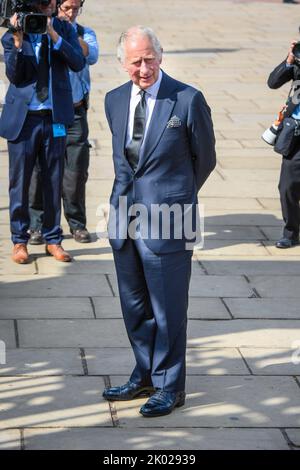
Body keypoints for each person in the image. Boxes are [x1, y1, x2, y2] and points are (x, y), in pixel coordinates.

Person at [102, 26, 216, 417]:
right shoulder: (114, 100)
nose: (144, 68)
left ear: (161, 56)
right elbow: (123, 165)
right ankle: (145, 374)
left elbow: (205, 160)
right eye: (136, 61)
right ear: (123, 63)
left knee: (168, 310)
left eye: (150, 58)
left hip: (169, 221)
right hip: (124, 221)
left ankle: (171, 386)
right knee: (135, 308)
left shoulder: (187, 99)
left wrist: (174, 198)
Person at [0, 0, 85, 263]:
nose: (45, 7)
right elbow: (16, 76)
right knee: (20, 181)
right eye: (40, 2)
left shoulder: (63, 28)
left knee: (53, 178)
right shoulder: (13, 32)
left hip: (54, 116)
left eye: (50, 2)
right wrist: (17, 41)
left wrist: (52, 33)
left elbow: (77, 63)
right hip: (24, 119)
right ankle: (19, 240)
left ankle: (53, 238)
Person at [28, 0, 99, 245]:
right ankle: (36, 225)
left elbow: (90, 56)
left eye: (75, 8)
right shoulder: (41, 29)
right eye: (66, 7)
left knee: (76, 171)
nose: (70, 13)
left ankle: (77, 224)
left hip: (76, 114)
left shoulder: (84, 32)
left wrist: (64, 31)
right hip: (51, 113)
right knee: (41, 170)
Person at [268, 40, 300, 248]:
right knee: (287, 186)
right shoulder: (298, 61)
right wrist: (290, 60)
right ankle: (290, 232)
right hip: (295, 133)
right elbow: (273, 82)